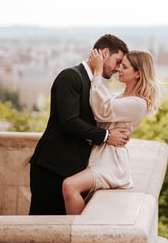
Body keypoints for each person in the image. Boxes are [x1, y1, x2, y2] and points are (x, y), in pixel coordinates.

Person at [28, 34, 131, 215]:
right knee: (44, 227)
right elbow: (69, 122)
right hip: (51, 167)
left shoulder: (96, 84)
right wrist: (107, 136)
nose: (117, 69)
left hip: (72, 170)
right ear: (104, 53)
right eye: (117, 61)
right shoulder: (71, 76)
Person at [62, 48, 161, 215]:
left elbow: (103, 110)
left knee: (70, 186)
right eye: (120, 64)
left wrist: (98, 72)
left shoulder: (138, 104)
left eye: (125, 67)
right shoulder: (118, 96)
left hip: (110, 162)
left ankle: (79, 236)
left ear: (138, 73)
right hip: (100, 154)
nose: (119, 69)